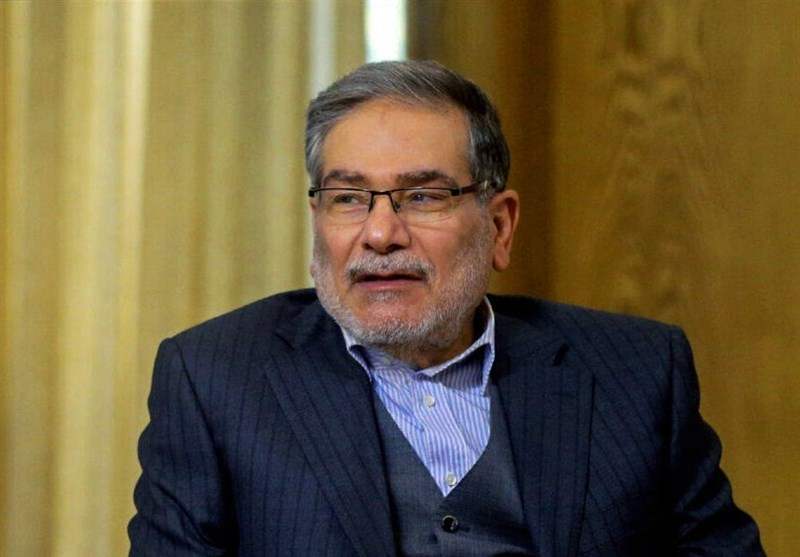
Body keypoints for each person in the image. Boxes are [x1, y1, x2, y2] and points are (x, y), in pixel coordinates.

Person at [129, 60, 764, 556]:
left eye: (423, 196)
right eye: (348, 198)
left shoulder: (637, 371)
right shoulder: (214, 377)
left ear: (499, 226)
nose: (381, 234)